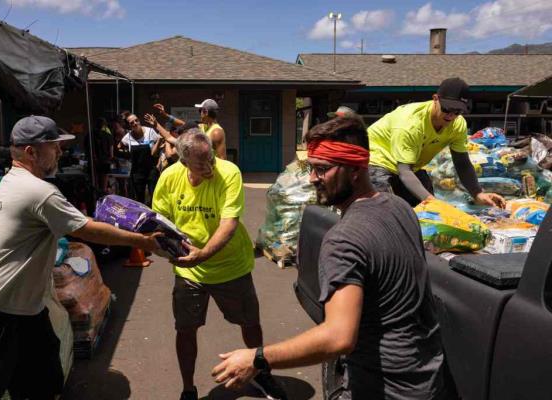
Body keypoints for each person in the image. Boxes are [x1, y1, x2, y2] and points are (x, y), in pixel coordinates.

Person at [212, 115, 455, 399]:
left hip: (385, 389)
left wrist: (258, 358)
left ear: (354, 169)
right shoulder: (400, 207)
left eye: (323, 169)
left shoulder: (344, 239)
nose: (313, 178)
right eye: (312, 168)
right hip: (427, 378)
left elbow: (338, 336)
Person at [0, 116, 163, 400]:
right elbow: (88, 229)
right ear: (31, 152)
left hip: (27, 312)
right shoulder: (38, 191)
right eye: (53, 146)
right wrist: (142, 241)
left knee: (44, 383)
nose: (60, 152)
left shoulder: (11, 180)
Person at [152, 129, 286, 400]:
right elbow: (159, 219)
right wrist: (165, 245)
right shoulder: (169, 177)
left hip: (230, 266)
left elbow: (229, 223)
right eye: (202, 163)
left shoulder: (229, 173)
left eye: (211, 158)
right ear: (184, 161)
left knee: (250, 323)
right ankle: (188, 389)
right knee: (185, 329)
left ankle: (262, 373)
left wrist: (203, 254)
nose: (210, 166)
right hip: (189, 271)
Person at [368, 77, 505, 208]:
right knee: (386, 209)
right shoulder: (411, 123)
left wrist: (478, 193)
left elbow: (462, 163)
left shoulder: (457, 125)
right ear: (435, 99)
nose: (451, 115)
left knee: (427, 212)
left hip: (409, 166)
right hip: (376, 161)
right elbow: (404, 171)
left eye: (457, 111)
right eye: (447, 109)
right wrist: (430, 201)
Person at [150, 99, 227, 159]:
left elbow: (223, 159)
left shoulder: (216, 132)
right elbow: (184, 124)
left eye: (200, 111)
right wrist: (165, 115)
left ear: (205, 112)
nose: (199, 113)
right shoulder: (204, 126)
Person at [119, 113, 161, 203]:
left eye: (136, 120)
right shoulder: (127, 138)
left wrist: (159, 143)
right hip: (137, 172)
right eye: (131, 123)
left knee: (154, 196)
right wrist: (126, 154)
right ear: (129, 126)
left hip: (151, 170)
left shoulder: (150, 132)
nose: (135, 123)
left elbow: (157, 148)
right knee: (139, 198)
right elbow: (119, 147)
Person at [92, 117, 114, 193]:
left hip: (93, 163)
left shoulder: (90, 135)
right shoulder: (108, 136)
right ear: (104, 125)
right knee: (104, 188)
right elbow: (111, 154)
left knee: (94, 187)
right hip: (105, 162)